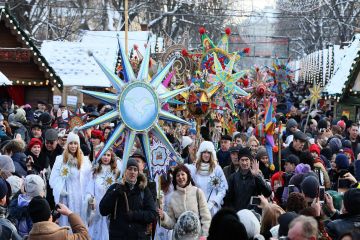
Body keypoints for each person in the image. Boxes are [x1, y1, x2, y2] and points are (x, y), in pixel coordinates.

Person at [99, 158, 157, 240]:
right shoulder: (115, 187)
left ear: (138, 173)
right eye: (130, 169)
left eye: (135, 169)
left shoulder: (144, 190)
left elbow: (152, 214)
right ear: (124, 171)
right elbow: (103, 210)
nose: (132, 172)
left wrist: (134, 215)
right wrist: (115, 193)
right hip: (118, 236)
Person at [49, 132, 92, 227]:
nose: (73, 146)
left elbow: (90, 178)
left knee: (80, 222)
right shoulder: (60, 159)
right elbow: (53, 178)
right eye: (71, 143)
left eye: (75, 143)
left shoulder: (84, 160)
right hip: (67, 197)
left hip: (81, 197)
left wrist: (89, 195)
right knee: (67, 223)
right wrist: (60, 189)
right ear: (67, 144)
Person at [158, 164, 211, 238]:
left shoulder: (197, 192)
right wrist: (163, 216)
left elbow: (206, 217)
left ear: (188, 175)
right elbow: (171, 223)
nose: (180, 177)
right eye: (178, 175)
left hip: (197, 237)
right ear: (175, 178)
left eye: (183, 174)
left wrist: (204, 235)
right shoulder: (173, 197)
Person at [85, 149, 120, 240]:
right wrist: (90, 199)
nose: (106, 157)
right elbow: (89, 190)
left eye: (108, 155)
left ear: (111, 157)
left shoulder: (116, 172)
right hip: (97, 208)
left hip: (111, 208)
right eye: (104, 154)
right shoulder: (95, 172)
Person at [187, 141, 228, 216]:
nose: (206, 155)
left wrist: (213, 202)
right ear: (200, 153)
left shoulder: (217, 169)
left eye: (208, 152)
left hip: (213, 208)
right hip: (198, 207)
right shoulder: (194, 168)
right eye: (204, 152)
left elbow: (223, 189)